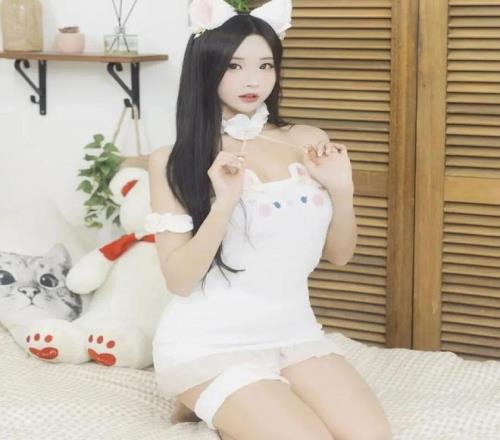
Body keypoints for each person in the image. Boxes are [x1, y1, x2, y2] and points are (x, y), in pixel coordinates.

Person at [147, 1, 392, 439]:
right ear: (206, 67)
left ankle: (229, 405)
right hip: (209, 342)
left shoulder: (307, 141)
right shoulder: (175, 160)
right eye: (235, 65)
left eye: (265, 65)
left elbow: (339, 256)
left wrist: (342, 190)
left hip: (294, 333)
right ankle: (201, 392)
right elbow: (179, 281)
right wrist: (223, 205)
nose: (253, 80)